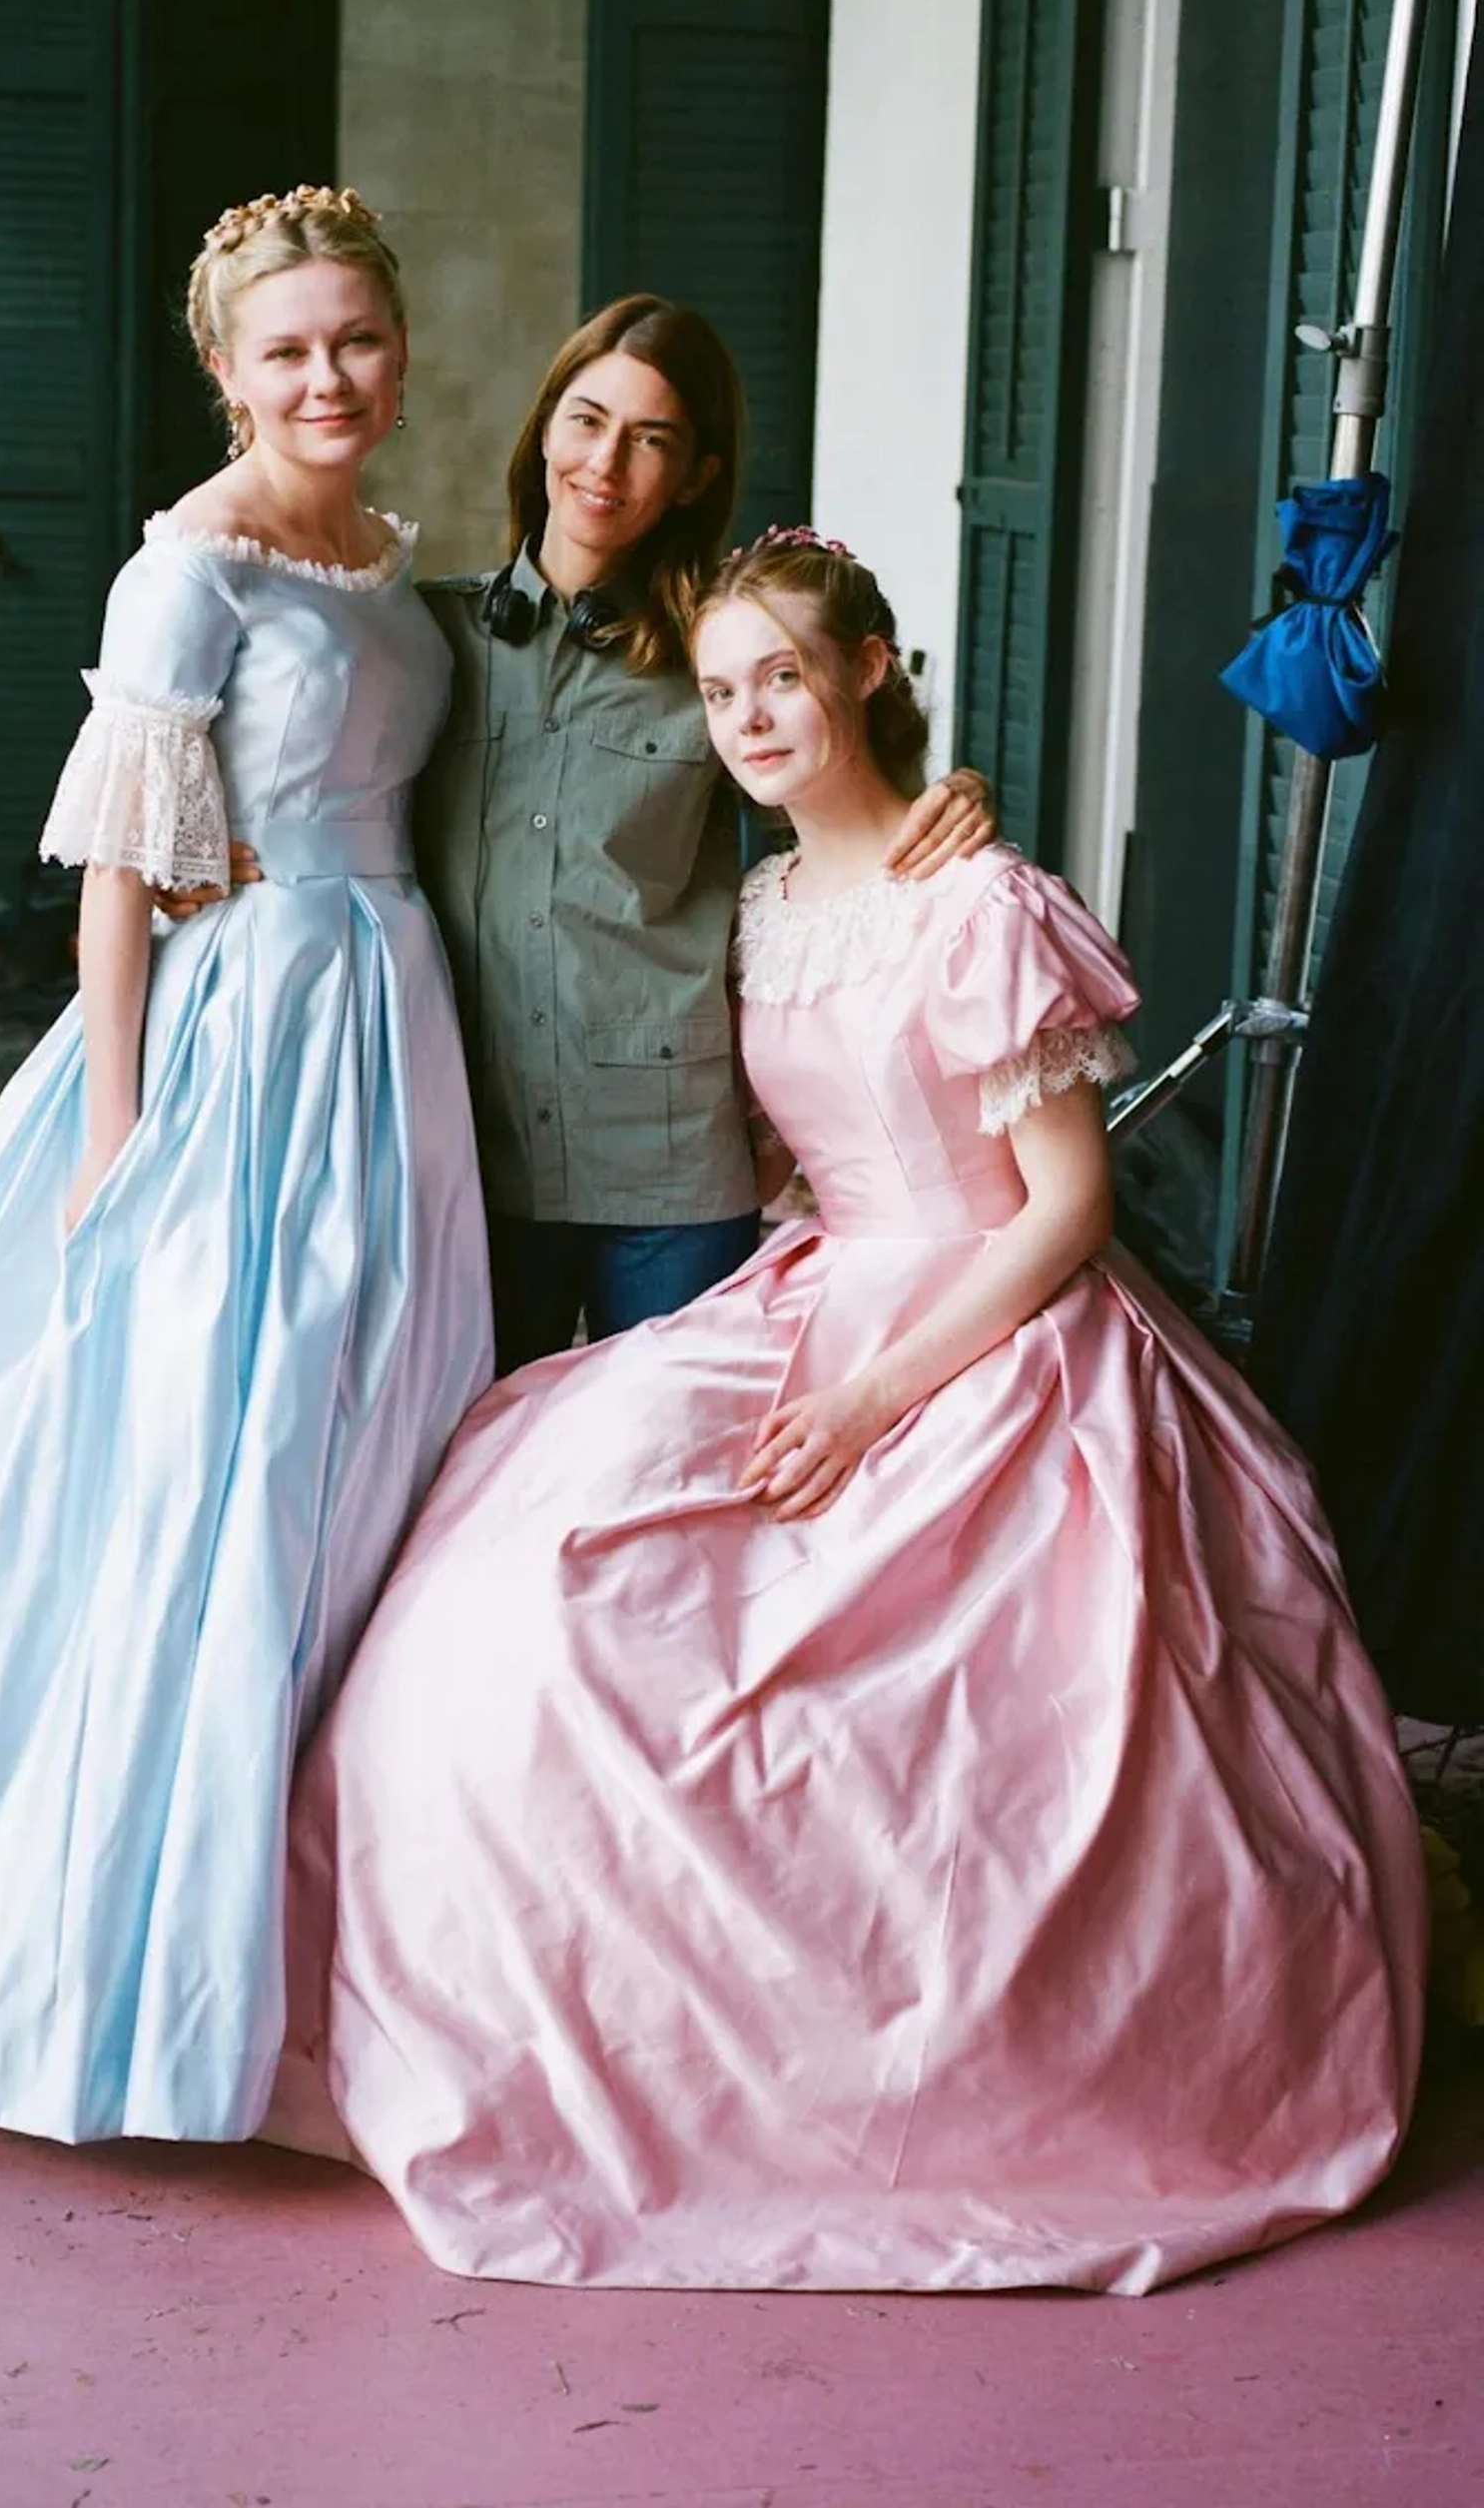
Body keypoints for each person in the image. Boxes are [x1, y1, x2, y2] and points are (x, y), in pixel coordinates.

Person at [274, 528, 1427, 2295]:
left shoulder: (980, 900)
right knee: (511, 1582)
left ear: (872, 670)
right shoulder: (762, 903)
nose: (748, 715)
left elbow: (1066, 1206)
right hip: (821, 1279)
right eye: (722, 686)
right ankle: (568, 2042)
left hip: (995, 1323)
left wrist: (881, 1391)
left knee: (937, 1723)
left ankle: (902, 2084)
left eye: (783, 678)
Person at [0, 185, 492, 2146]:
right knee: (201, 1468)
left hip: (392, 1029)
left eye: (357, 340)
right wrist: (124, 1127)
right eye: (287, 348)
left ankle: (337, 1920)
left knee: (361, 1444)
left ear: (398, 348)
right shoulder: (188, 579)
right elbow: (122, 893)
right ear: (224, 371)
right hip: (240, 1043)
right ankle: (116, 1968)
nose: (329, 376)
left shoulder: (392, 560)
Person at [189, 297, 995, 1365]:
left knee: (660, 1478)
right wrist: (197, 855)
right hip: (457, 1153)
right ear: (545, 431)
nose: (606, 463)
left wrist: (959, 791)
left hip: (666, 1164)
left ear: (698, 476)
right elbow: (277, 761)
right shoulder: (417, 636)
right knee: (467, 1480)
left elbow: (849, 775)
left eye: (653, 438)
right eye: (587, 419)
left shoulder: (720, 658)